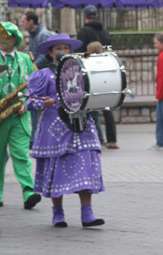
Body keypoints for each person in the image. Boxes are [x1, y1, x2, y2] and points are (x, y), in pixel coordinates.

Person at [26, 34, 105, 228]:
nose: (63, 51)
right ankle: (58, 213)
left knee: (85, 163)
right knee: (56, 170)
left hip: (81, 126)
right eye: (59, 48)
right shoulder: (43, 74)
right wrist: (44, 102)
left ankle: (87, 213)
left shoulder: (83, 71)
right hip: (55, 130)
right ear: (52, 53)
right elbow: (29, 102)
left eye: (66, 47)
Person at [0, 22, 41, 209]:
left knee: (21, 154)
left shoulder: (26, 59)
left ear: (14, 39)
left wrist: (26, 104)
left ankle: (29, 192)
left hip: (19, 115)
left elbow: (34, 87)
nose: (1, 40)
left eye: (6, 36)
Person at [76, 5, 112, 145]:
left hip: (90, 73)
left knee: (92, 108)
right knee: (107, 108)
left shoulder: (83, 32)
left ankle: (98, 138)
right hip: (105, 71)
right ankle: (112, 140)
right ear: (96, 16)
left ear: (85, 17)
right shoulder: (104, 31)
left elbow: (79, 53)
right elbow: (110, 49)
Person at [20, 10, 52, 143]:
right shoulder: (36, 35)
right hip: (38, 75)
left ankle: (33, 139)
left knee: (33, 106)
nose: (22, 24)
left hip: (41, 76)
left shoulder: (42, 35)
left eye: (23, 21)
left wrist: (30, 67)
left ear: (31, 22)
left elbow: (44, 56)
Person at [86, 41, 119, 149]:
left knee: (93, 115)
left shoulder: (89, 61)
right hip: (108, 89)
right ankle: (112, 140)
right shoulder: (107, 60)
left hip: (94, 90)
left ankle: (98, 138)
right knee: (108, 115)